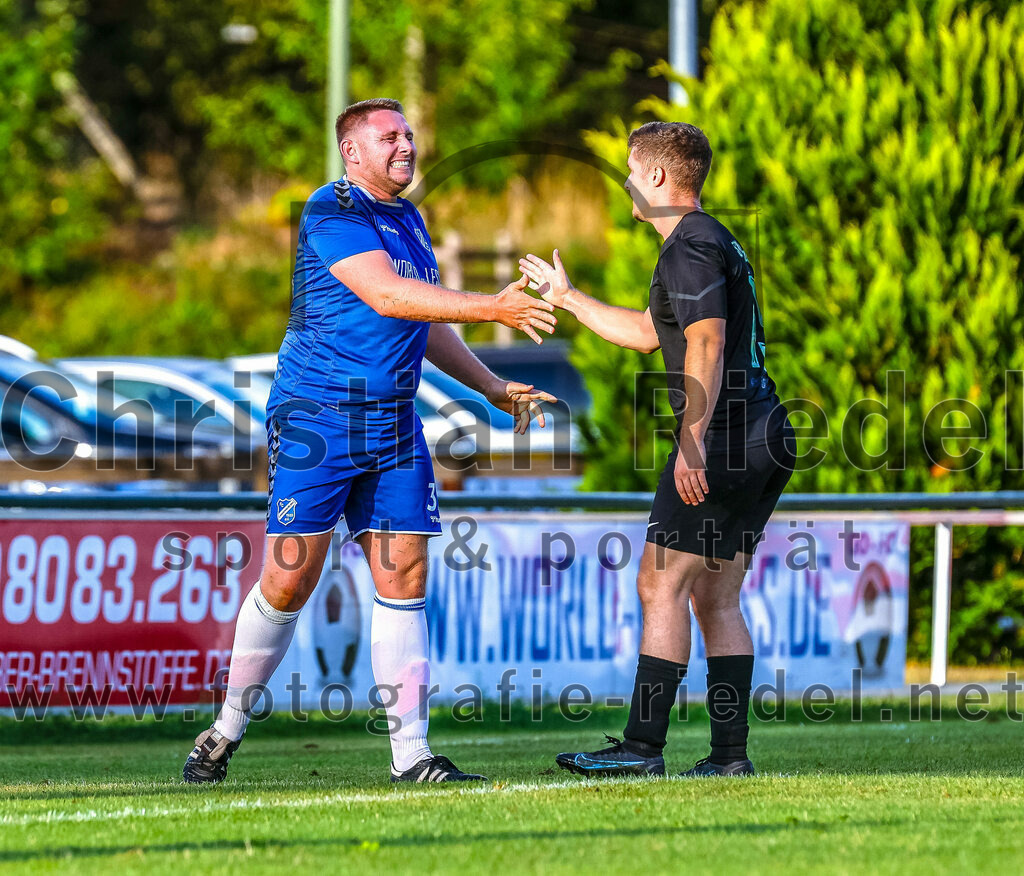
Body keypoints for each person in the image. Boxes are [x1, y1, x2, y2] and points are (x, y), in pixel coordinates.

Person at [183, 98, 558, 785]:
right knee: (291, 576)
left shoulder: (409, 217)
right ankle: (226, 728)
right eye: (390, 137)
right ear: (352, 152)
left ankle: (411, 756)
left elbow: (423, 316)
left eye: (410, 135)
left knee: (405, 574)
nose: (406, 146)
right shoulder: (331, 210)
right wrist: (492, 306)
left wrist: (489, 386)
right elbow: (388, 296)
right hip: (318, 417)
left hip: (391, 421)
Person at [520, 122, 795, 778]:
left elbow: (706, 342)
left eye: (629, 170)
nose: (624, 183)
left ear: (658, 178)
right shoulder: (705, 240)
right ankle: (729, 758)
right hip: (764, 430)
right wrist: (570, 300)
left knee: (659, 583)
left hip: (725, 435)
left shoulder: (688, 245)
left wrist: (692, 440)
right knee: (715, 597)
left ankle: (642, 749)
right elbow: (650, 333)